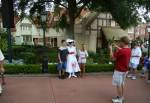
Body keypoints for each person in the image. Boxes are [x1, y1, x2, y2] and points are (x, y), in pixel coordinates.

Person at [109, 36, 131, 103]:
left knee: (118, 85)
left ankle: (120, 99)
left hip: (119, 70)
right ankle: (121, 97)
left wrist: (110, 49)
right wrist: (116, 47)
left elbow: (112, 58)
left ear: (123, 42)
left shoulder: (121, 51)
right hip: (125, 70)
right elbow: (122, 50)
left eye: (120, 42)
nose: (119, 43)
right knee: (122, 84)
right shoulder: (129, 49)